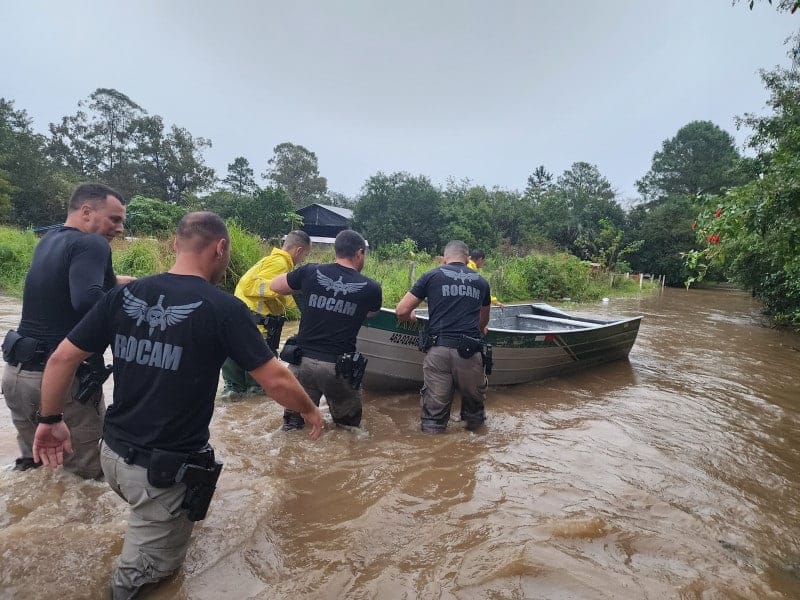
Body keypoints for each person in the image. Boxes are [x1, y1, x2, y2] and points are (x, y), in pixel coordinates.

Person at [32, 212, 323, 599]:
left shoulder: (124, 295)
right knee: (145, 580)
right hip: (160, 470)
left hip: (113, 455)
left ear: (174, 244)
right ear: (220, 248)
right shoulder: (222, 308)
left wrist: (49, 420)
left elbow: (60, 360)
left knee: (149, 521)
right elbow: (277, 380)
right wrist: (309, 410)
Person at [1, 182, 133, 477]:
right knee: (83, 481)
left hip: (18, 376)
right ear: (87, 212)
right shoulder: (93, 244)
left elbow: (85, 286)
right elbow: (88, 299)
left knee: (39, 470)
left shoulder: (49, 240)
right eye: (115, 219)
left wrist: (131, 284)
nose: (120, 228)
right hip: (63, 383)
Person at [270, 229, 382, 431]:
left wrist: (304, 288)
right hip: (337, 369)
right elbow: (372, 313)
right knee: (349, 430)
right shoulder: (370, 287)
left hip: (301, 364)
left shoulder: (311, 272)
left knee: (293, 427)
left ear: (336, 250)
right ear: (359, 253)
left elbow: (275, 285)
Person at [396, 240, 491, 433]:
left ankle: (433, 452)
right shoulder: (481, 282)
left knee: (433, 420)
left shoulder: (431, 276)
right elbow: (483, 322)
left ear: (445, 258)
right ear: (467, 258)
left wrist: (411, 318)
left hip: (438, 351)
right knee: (474, 417)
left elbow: (401, 310)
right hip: (469, 353)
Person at [219, 230, 311, 400]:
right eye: (305, 255)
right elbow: (251, 286)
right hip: (257, 329)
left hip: (238, 328)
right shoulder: (281, 264)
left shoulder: (269, 260)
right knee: (259, 391)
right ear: (298, 251)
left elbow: (280, 297)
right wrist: (280, 289)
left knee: (233, 390)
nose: (303, 260)